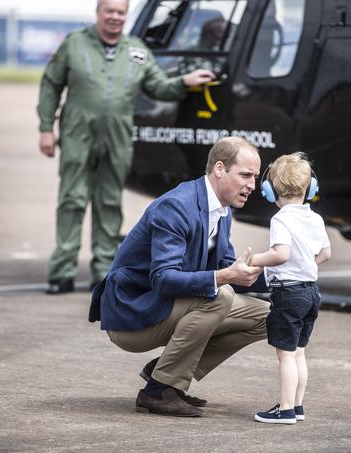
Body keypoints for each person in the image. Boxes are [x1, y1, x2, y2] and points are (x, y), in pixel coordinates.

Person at [37, 0, 215, 295]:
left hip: (117, 138)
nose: (115, 18)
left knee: (109, 203)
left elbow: (159, 87)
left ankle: (104, 270)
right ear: (98, 13)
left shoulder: (136, 50)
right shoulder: (75, 44)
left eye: (121, 12)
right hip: (77, 134)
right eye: (110, 11)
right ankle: (62, 271)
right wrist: (46, 127)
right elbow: (50, 85)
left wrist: (184, 81)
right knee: (72, 199)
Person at [89, 137, 270, 417]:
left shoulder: (222, 211)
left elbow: (226, 267)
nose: (252, 185)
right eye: (245, 175)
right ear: (219, 168)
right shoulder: (176, 206)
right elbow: (163, 279)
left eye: (255, 177)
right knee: (220, 295)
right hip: (134, 313)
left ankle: (165, 370)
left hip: (170, 305)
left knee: (270, 316)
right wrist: (224, 276)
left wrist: (287, 277)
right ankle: (159, 392)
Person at [248, 152, 331, 424]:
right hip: (311, 292)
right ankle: (297, 406)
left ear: (270, 191)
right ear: (310, 188)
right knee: (299, 353)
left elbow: (281, 254)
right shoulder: (315, 218)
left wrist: (255, 260)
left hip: (288, 293)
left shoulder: (281, 219)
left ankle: (284, 409)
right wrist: (306, 262)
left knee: (285, 356)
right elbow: (326, 254)